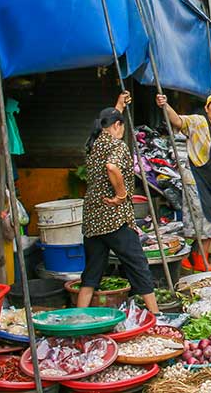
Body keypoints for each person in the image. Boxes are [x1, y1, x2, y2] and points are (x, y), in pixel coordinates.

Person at [80, 92, 159, 314]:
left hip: (93, 220)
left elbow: (112, 121)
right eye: (121, 126)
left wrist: (119, 105)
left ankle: (78, 316)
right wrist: (122, 194)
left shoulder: (94, 143)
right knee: (138, 265)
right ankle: (156, 313)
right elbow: (112, 168)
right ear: (117, 126)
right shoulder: (117, 146)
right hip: (115, 220)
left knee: (92, 273)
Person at [156, 92, 211, 272]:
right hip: (196, 178)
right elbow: (177, 122)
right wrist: (165, 105)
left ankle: (196, 258)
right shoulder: (198, 122)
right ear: (207, 109)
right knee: (200, 218)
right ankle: (195, 259)